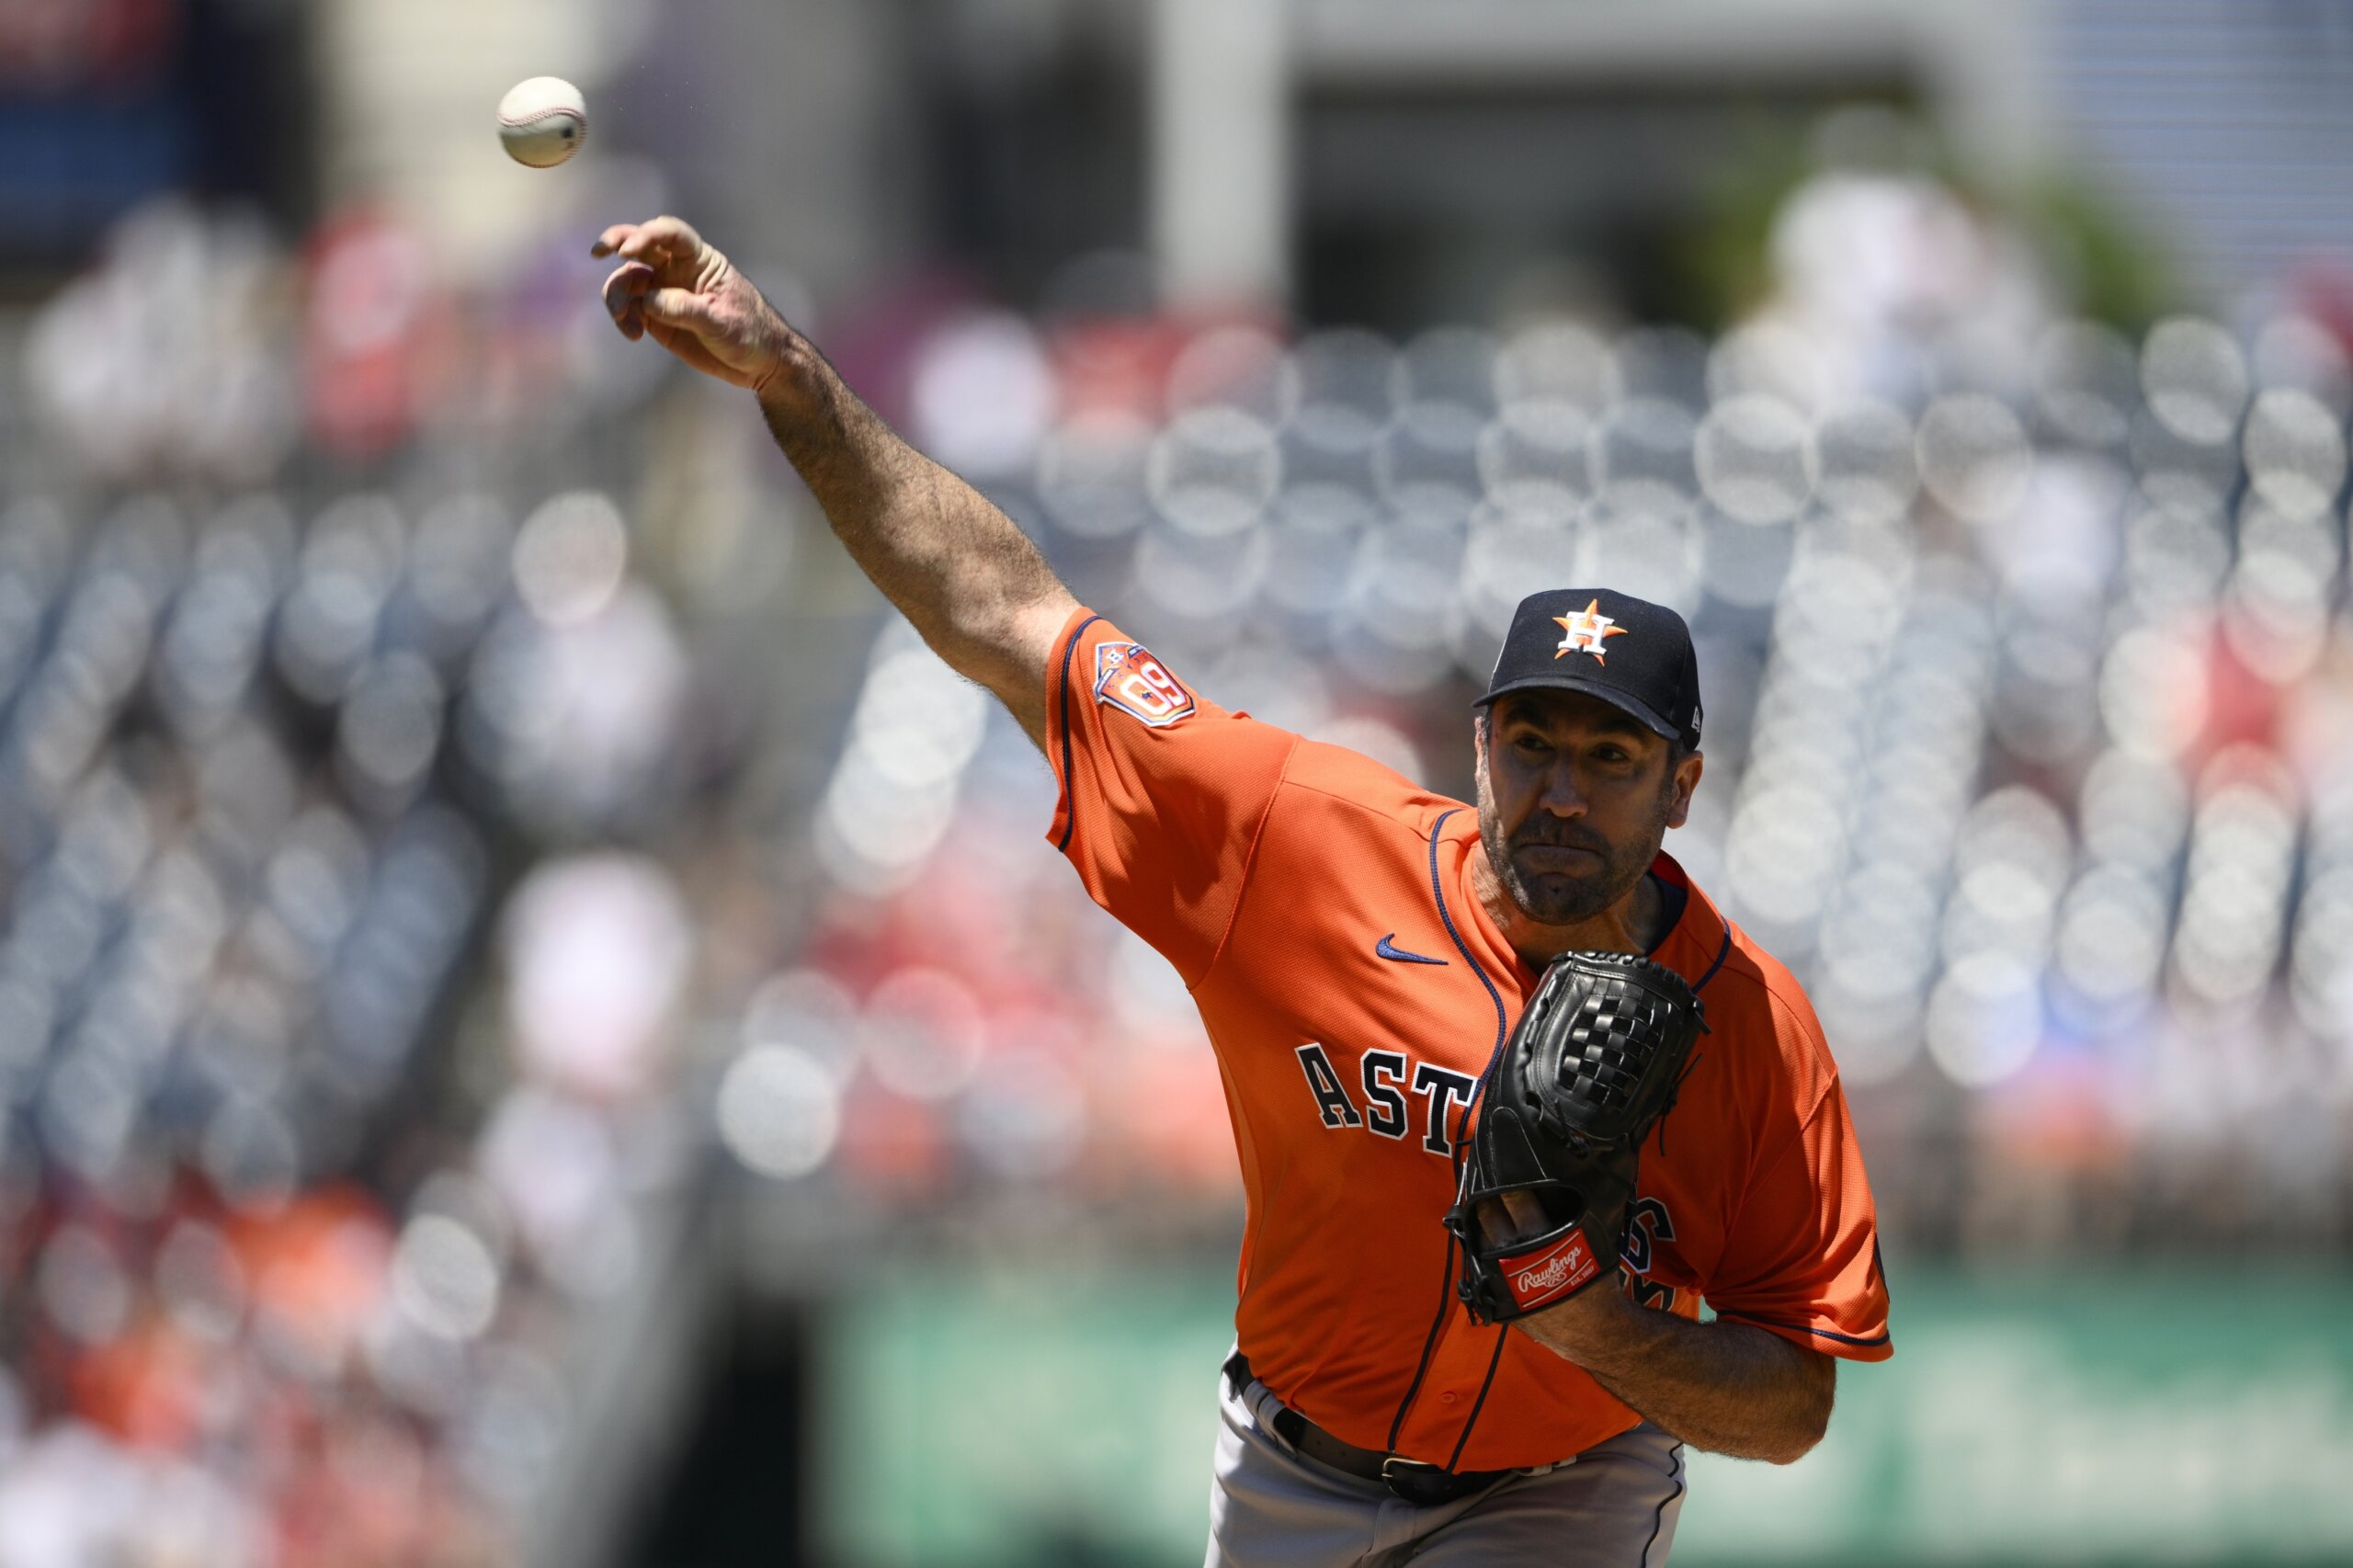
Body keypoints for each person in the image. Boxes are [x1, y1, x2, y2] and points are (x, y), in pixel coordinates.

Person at [595, 217, 1892, 1566]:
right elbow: (1005, 611)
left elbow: (1796, 1396)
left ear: (1682, 784)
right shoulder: (1297, 840)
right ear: (1478, 745)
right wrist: (792, 378)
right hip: (1290, 1474)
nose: (1560, 791)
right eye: (1533, 744)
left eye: (1611, 757)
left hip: (1561, 1489)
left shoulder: (1750, 1026)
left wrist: (1588, 1320)